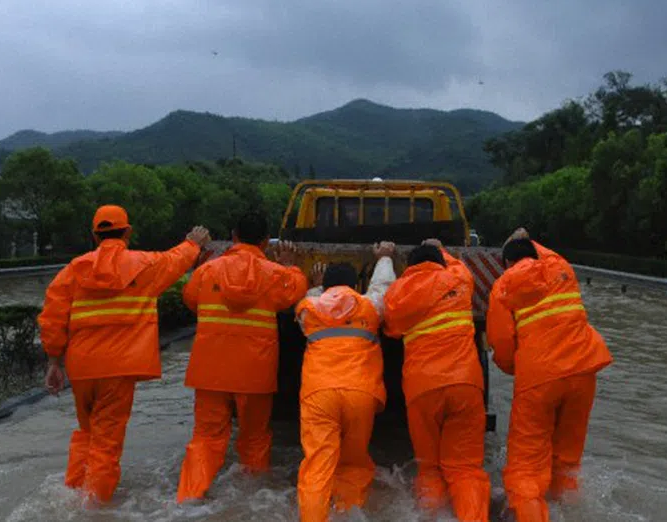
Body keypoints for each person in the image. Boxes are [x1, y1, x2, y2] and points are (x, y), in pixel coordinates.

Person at [38, 204, 211, 506]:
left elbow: (52, 319)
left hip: (81, 367)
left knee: (86, 432)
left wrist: (54, 362)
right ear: (128, 232)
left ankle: (74, 492)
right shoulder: (144, 266)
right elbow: (176, 260)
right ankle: (94, 508)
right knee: (106, 443)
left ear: (94, 236)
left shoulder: (72, 271)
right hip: (119, 369)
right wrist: (194, 243)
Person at [175, 211, 309, 503]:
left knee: (206, 439)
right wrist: (291, 266)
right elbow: (297, 291)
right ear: (265, 241)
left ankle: (189, 499)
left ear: (234, 236)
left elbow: (190, 298)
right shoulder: (276, 274)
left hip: (210, 371)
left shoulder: (208, 271)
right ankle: (254, 502)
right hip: (255, 373)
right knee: (255, 439)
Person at [486, 228, 613, 522]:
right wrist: (527, 238)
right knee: (566, 462)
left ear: (506, 264)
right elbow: (545, 254)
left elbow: (503, 347)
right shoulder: (560, 268)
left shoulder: (504, 286)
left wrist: (519, 368)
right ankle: (566, 510)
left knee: (526, 469)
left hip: (539, 378)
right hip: (584, 370)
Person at [382, 239, 491, 522]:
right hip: (465, 384)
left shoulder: (398, 292)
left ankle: (430, 515)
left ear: (410, 268)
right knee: (466, 469)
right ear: (439, 261)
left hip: (423, 390)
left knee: (429, 469)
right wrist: (440, 248)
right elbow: (460, 266)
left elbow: (391, 330)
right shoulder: (458, 279)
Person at [295, 243, 398, 522]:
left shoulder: (308, 308)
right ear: (355, 285)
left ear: (323, 286)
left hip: (319, 394)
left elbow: (310, 301)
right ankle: (346, 513)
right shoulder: (370, 307)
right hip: (360, 393)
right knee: (353, 464)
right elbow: (383, 288)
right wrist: (385, 258)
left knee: (317, 466)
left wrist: (315, 285)